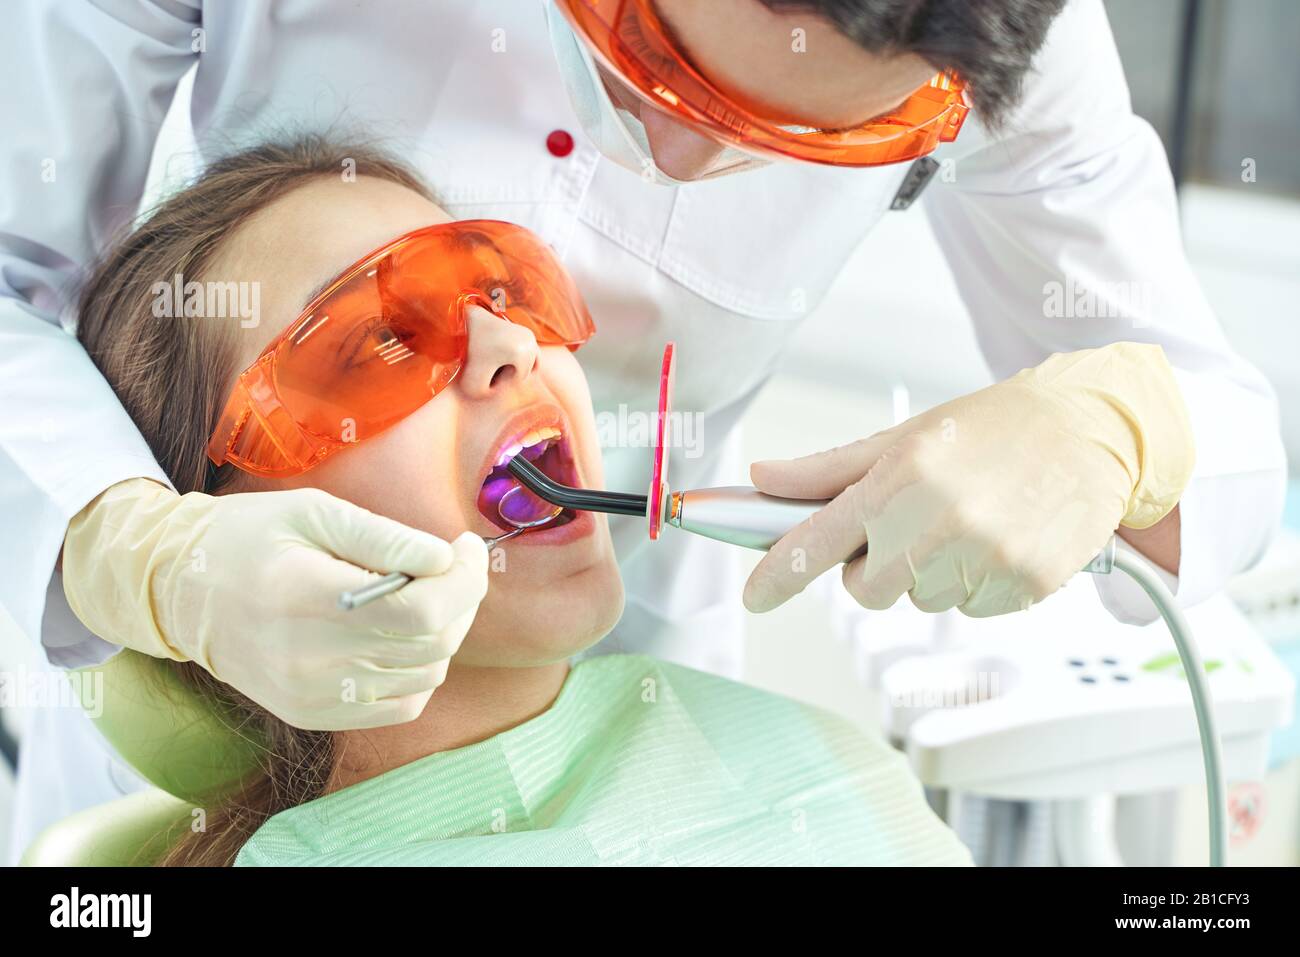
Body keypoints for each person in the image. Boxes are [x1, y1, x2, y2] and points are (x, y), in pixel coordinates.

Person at [1, 0, 1284, 856]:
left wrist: (1115, 426)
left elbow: (1218, 428)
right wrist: (137, 551)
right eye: (382, 337)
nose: (671, 160)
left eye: (789, 140)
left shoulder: (815, 785)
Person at [75, 137, 972, 867]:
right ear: (229, 522)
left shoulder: (806, 749)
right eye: (382, 340)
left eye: (502, 291)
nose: (509, 342)